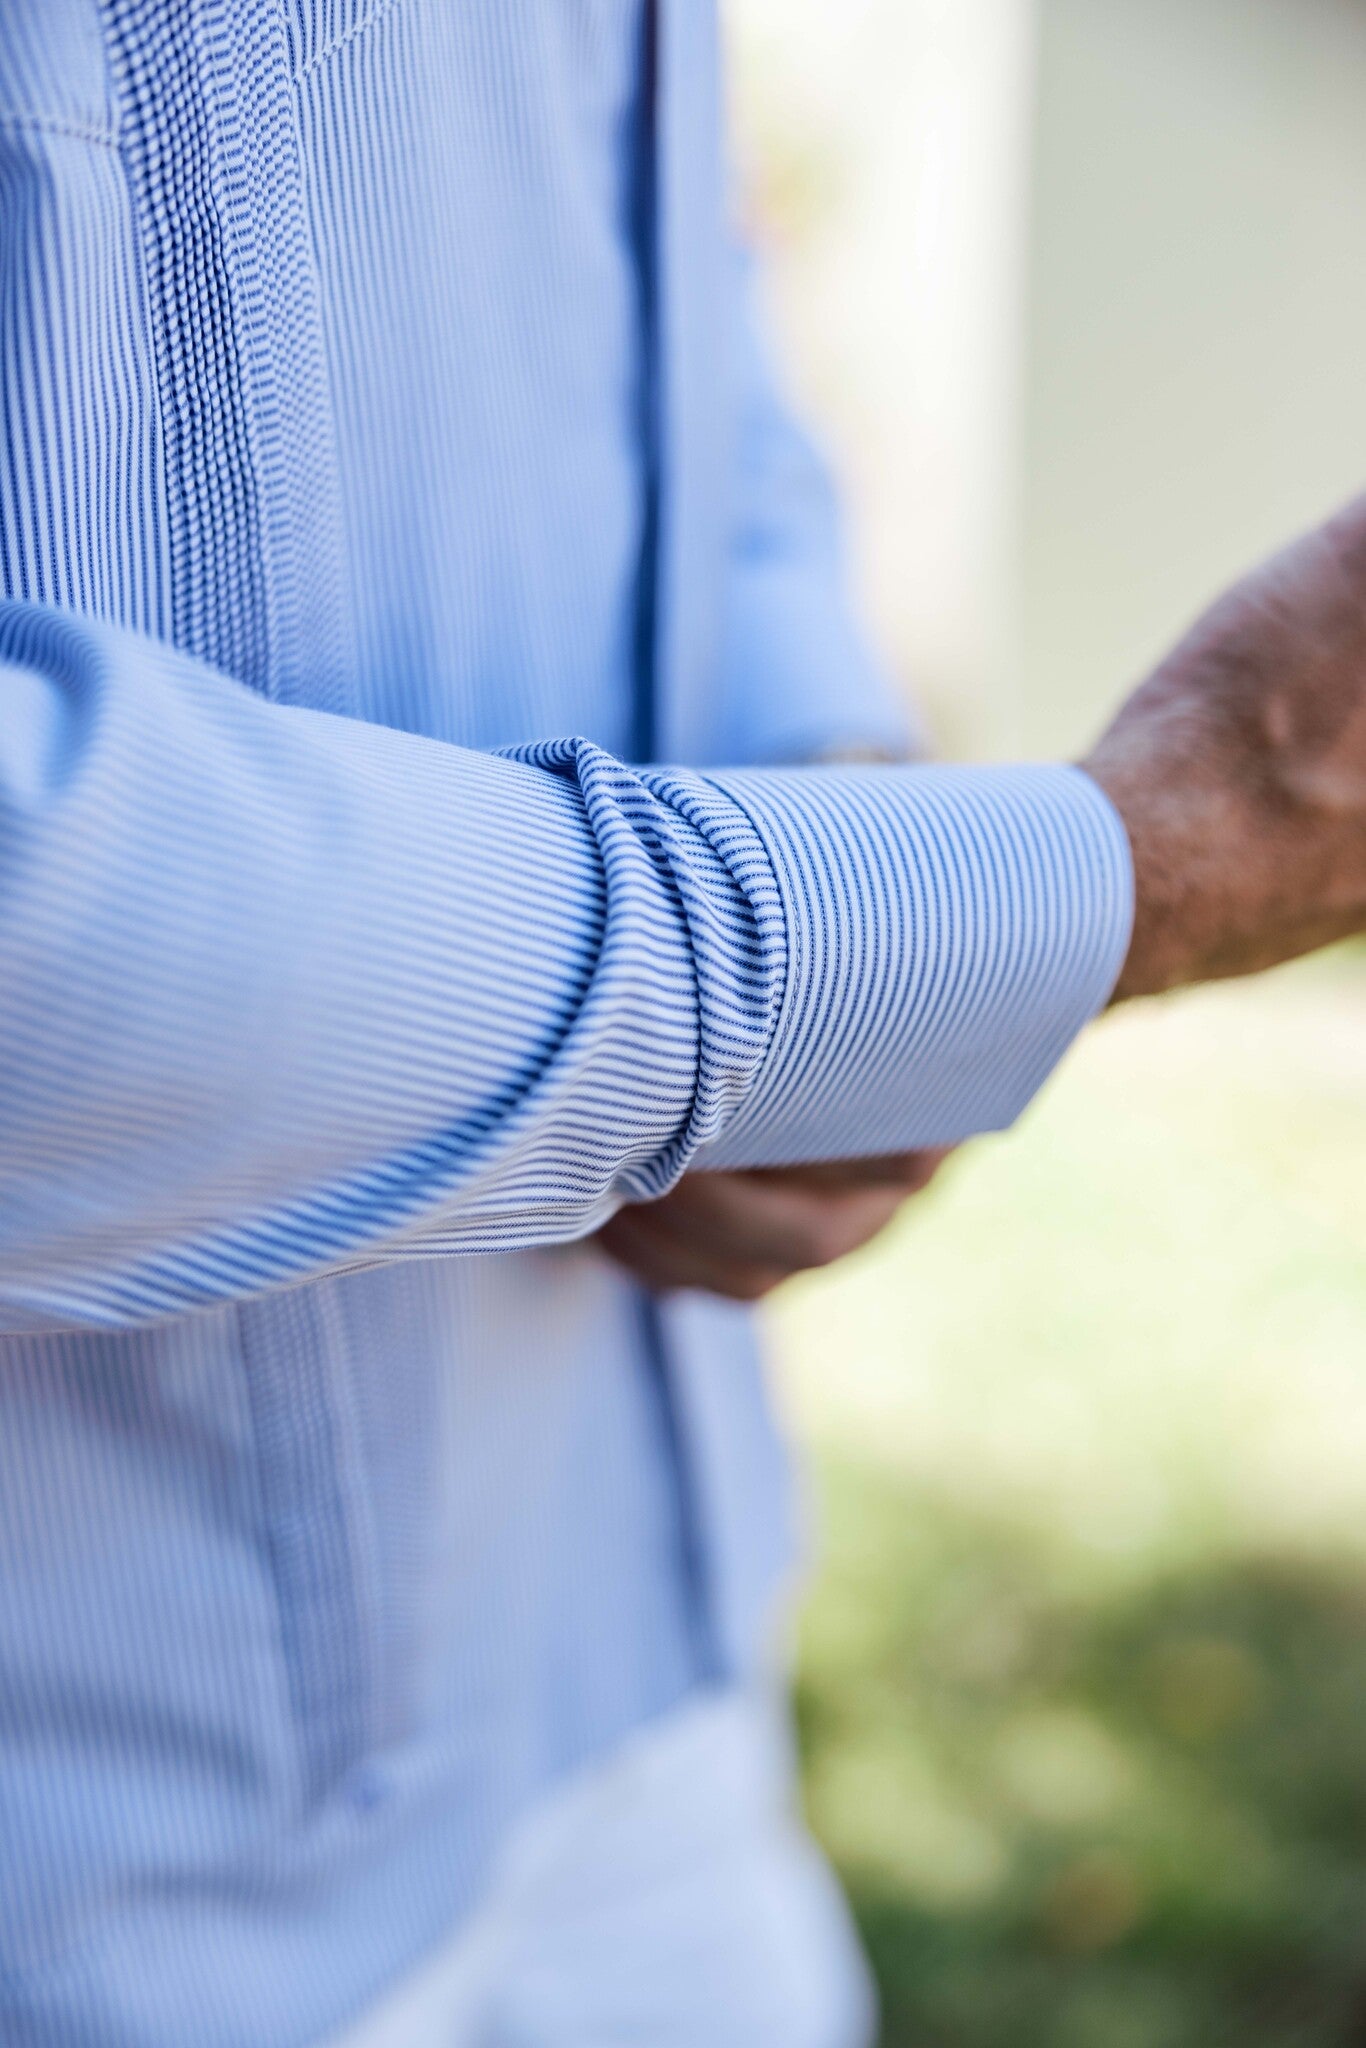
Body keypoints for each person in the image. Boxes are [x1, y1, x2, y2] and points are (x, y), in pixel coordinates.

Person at [0, 4, 1363, 2044]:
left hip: (634, 1679)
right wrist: (1160, 855)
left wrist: (811, 791)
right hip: (88, 1883)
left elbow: (646, 240)